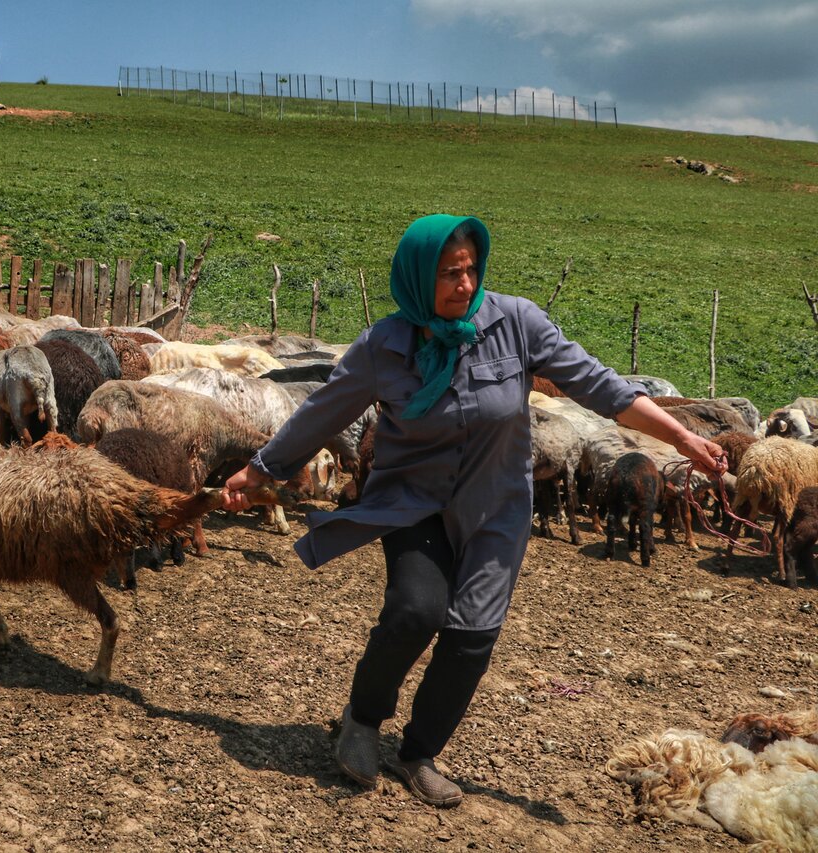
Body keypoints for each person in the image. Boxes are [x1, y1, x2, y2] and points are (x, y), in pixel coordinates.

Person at [221, 214, 726, 807]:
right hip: (414, 502)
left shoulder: (516, 322)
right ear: (415, 278)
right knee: (415, 611)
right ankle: (361, 720)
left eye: (470, 270)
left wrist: (683, 439)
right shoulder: (383, 347)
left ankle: (418, 754)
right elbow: (321, 413)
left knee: (472, 635)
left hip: (497, 507)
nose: (464, 285)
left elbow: (601, 386)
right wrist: (261, 468)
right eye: (448, 274)